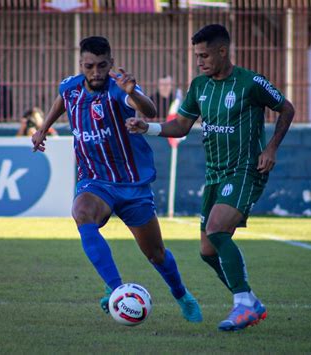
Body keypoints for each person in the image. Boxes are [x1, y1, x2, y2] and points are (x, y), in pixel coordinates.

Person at [126, 24, 295, 331]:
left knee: (217, 229)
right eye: (197, 56)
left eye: (204, 55)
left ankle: (243, 303)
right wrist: (146, 128)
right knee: (206, 251)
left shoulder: (251, 82)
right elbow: (180, 126)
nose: (200, 61)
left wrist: (271, 148)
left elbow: (287, 108)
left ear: (222, 51)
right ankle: (250, 302)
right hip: (215, 173)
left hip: (245, 169)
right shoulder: (200, 85)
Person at [31, 36, 202, 323]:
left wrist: (133, 93)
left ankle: (181, 294)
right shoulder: (71, 86)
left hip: (132, 184)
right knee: (82, 212)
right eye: (89, 66)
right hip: (96, 180)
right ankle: (116, 290)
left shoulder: (118, 89)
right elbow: (63, 98)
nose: (95, 72)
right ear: (81, 65)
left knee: (156, 254)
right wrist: (43, 128)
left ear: (111, 62)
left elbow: (148, 110)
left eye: (101, 66)